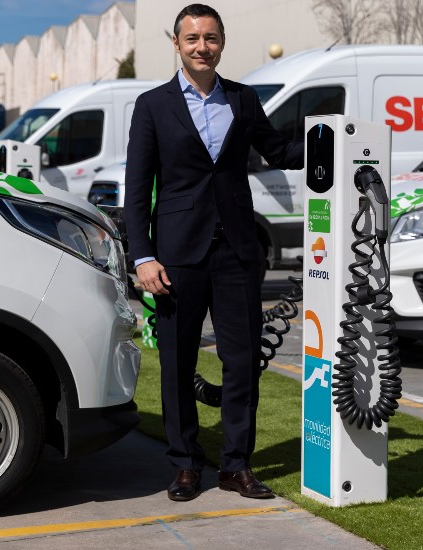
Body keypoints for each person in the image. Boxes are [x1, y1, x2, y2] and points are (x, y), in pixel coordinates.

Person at [124, 3, 303, 502]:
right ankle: (185, 466)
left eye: (211, 38)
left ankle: (235, 465)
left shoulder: (244, 100)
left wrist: (334, 137)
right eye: (192, 38)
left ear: (222, 42)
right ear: (177, 45)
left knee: (242, 361)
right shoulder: (152, 105)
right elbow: (136, 190)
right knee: (178, 363)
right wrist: (142, 256)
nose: (202, 46)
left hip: (238, 254)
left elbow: (279, 151)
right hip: (176, 256)